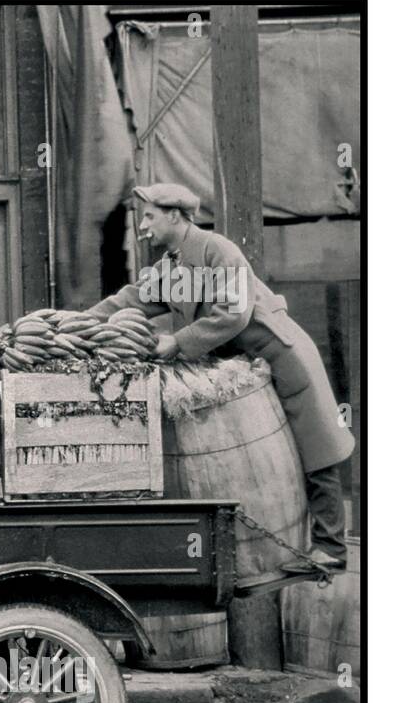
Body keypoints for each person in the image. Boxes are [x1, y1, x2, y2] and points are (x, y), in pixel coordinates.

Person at [88, 183, 354, 571]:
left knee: (317, 448)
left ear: (174, 215)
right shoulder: (172, 266)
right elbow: (130, 299)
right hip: (249, 367)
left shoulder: (219, 251)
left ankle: (331, 549)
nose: (143, 225)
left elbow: (234, 313)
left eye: (149, 216)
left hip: (282, 353)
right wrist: (79, 321)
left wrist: (177, 342)